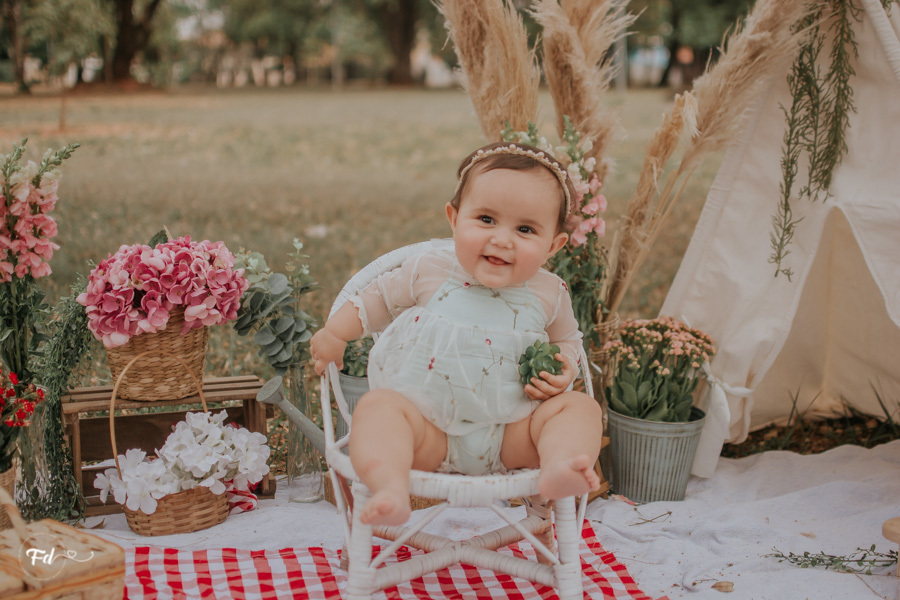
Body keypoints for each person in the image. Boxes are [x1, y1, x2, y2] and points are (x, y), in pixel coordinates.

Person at [310, 142, 604, 527]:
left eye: (525, 229)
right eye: (485, 219)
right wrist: (335, 333)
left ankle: (558, 466)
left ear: (553, 245)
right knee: (377, 409)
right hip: (428, 430)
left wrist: (564, 365)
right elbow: (376, 300)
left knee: (582, 409)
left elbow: (569, 339)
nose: (502, 239)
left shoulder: (549, 292)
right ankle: (388, 483)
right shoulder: (430, 268)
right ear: (454, 218)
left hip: (513, 433)